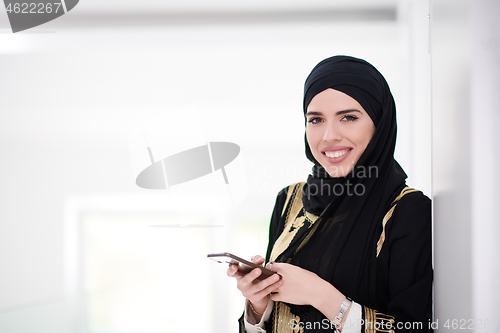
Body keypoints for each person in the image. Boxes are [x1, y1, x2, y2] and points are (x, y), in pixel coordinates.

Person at [227, 55, 433, 333]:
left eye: (348, 117)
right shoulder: (289, 200)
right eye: (316, 120)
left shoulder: (408, 210)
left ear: (380, 123)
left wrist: (318, 294)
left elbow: (414, 328)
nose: (328, 136)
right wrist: (258, 305)